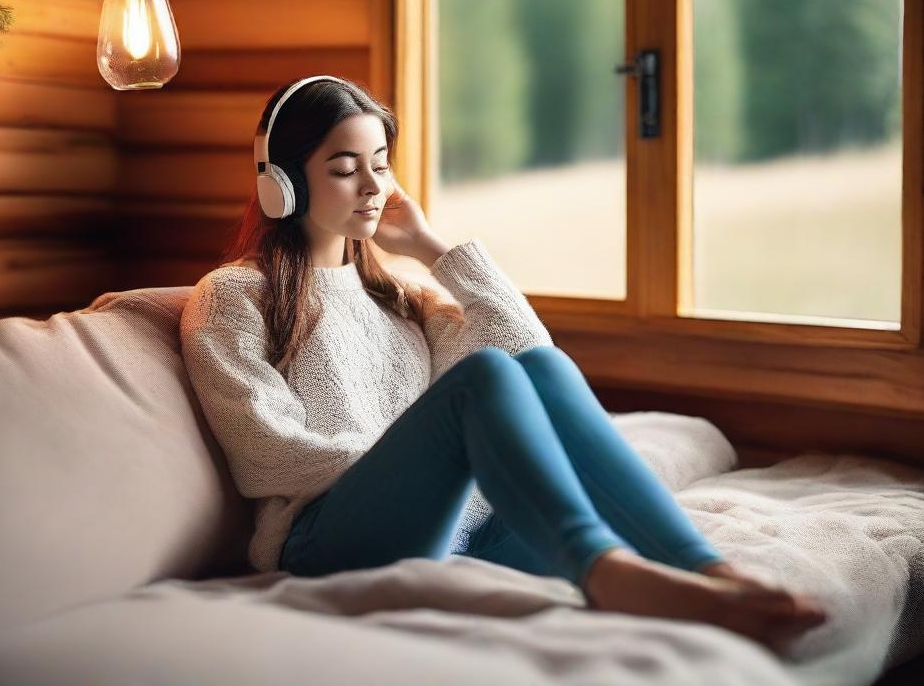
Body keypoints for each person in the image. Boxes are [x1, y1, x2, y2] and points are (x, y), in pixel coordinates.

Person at [179, 75, 828, 655]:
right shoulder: (235, 295)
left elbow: (528, 349)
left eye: (381, 163)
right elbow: (262, 452)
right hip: (327, 544)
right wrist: (421, 458)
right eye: (346, 167)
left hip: (459, 533)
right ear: (282, 182)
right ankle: (605, 571)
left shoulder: (401, 295)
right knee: (482, 383)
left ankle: (711, 574)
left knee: (535, 375)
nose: (375, 186)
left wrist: (433, 249)